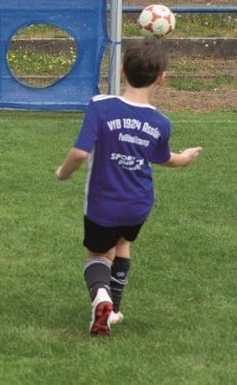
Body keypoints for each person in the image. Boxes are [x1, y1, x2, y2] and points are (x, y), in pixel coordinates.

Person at [55, 38, 202, 336]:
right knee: (123, 244)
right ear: (162, 78)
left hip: (103, 203)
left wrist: (63, 172)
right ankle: (116, 310)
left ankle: (101, 297)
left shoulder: (101, 107)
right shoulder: (161, 122)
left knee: (97, 255)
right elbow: (163, 158)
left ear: (121, 71)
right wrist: (184, 159)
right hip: (138, 203)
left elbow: (81, 152)